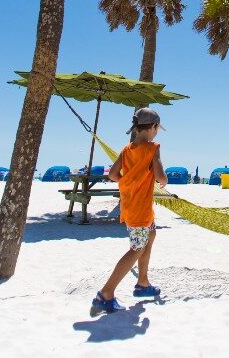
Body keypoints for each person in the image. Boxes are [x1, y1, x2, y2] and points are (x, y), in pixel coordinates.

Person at [90, 108, 168, 316]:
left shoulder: (126, 150)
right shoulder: (153, 148)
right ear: (152, 128)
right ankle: (106, 294)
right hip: (140, 209)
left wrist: (131, 182)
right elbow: (160, 175)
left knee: (150, 234)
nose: (157, 133)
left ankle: (142, 283)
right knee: (136, 248)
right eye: (157, 129)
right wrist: (163, 181)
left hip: (131, 203)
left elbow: (114, 175)